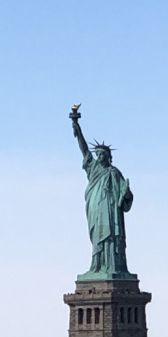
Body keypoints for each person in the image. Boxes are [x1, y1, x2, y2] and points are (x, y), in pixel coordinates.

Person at [71, 111, 134, 277]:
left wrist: (126, 193)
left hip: (111, 211)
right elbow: (84, 150)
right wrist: (77, 127)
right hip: (96, 209)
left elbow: (125, 195)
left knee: (112, 238)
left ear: (108, 157)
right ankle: (97, 267)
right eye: (97, 154)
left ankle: (114, 267)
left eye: (102, 155)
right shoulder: (93, 169)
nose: (99, 157)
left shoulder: (114, 172)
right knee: (98, 237)